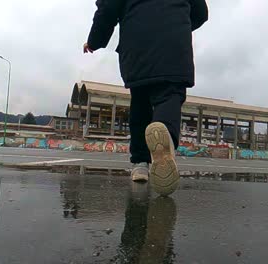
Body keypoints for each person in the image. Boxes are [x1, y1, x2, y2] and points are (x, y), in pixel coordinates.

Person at [84, 0, 208, 196]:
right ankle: (164, 133)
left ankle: (140, 164)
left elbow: (107, 9)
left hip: (137, 45)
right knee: (170, 97)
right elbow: (201, 13)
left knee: (140, 102)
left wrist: (94, 41)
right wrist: (177, 24)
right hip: (174, 44)